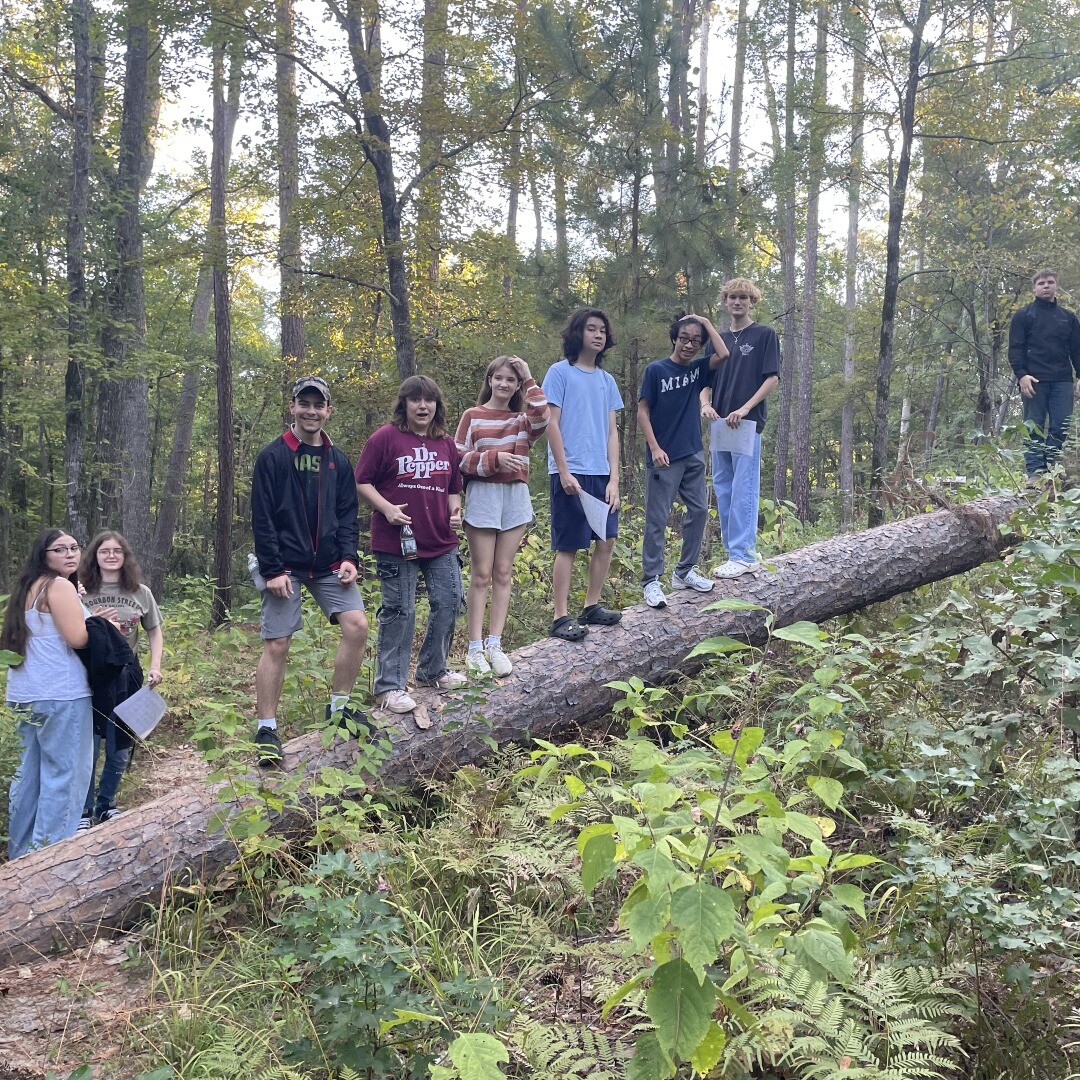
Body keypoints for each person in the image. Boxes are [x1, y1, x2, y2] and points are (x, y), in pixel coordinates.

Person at [250, 375, 368, 766]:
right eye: (305, 404)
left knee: (357, 626)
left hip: (329, 564)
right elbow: (262, 518)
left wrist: (349, 558)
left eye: (319, 405)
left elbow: (348, 514)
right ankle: (266, 729)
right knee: (278, 643)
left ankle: (338, 709)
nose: (312, 411)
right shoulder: (273, 457)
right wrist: (273, 569)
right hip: (285, 566)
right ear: (293, 407)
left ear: (328, 411)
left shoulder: (338, 460)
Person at [355, 375, 466, 713]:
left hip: (440, 540)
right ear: (403, 404)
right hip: (395, 541)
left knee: (450, 600)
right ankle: (390, 686)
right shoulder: (385, 439)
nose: (422, 406)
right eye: (415, 400)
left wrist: (455, 510)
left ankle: (433, 670)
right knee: (400, 610)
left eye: (429, 400)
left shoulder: (446, 443)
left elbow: (453, 486)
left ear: (437, 406)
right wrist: (386, 508)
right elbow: (362, 481)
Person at [0, 529, 94, 858]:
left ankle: (20, 855)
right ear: (44, 555)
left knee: (27, 776)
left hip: (25, 694)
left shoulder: (27, 588)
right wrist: (100, 622)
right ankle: (49, 859)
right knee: (65, 776)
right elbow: (78, 639)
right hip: (62, 693)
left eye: (74, 547)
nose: (70, 554)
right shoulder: (58, 586)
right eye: (59, 549)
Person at [455, 355, 550, 676]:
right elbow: (458, 457)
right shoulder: (473, 416)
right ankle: (474, 648)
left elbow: (542, 415)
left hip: (515, 497)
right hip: (483, 496)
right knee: (481, 574)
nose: (504, 384)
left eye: (511, 379)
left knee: (503, 572)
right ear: (490, 380)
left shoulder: (523, 420)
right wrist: (494, 459)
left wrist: (527, 375)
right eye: (499, 378)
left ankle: (495, 644)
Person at [542, 308, 624, 641]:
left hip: (600, 473)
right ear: (578, 333)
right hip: (570, 471)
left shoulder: (607, 381)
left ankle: (591, 606)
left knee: (606, 541)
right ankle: (560, 617)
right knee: (570, 544)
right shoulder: (560, 373)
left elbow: (612, 432)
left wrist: (615, 479)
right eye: (591, 329)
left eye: (602, 330)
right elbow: (551, 422)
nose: (598, 335)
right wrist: (562, 470)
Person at [637, 313, 729, 609]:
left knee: (700, 511)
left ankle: (684, 571)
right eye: (685, 338)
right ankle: (651, 580)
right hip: (664, 456)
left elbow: (724, 353)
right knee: (657, 519)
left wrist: (705, 322)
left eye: (696, 340)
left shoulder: (700, 369)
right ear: (674, 339)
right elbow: (642, 411)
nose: (689, 345)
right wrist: (654, 448)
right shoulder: (656, 370)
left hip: (692, 452)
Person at [77, 531, 163, 828]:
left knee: (120, 740)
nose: (111, 556)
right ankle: (83, 811)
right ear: (95, 556)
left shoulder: (140, 591)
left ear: (125, 556)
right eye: (104, 551)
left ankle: (106, 804)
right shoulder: (79, 589)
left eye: (117, 551)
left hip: (127, 674)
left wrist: (155, 666)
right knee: (89, 743)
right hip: (89, 674)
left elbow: (154, 631)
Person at [699, 277, 780, 578]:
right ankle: (735, 551)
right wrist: (705, 405)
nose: (737, 302)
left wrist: (746, 408)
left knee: (744, 486)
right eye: (732, 297)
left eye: (743, 298)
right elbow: (704, 382)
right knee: (723, 487)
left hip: (746, 423)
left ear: (752, 301)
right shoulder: (716, 340)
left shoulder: (764, 335)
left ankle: (744, 554)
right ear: (725, 301)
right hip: (720, 423)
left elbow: (772, 378)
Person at [1008, 269, 1080, 477]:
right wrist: (1021, 375)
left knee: (1060, 427)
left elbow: (1077, 350)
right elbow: (1015, 348)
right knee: (1033, 428)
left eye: (1050, 282)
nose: (1046, 286)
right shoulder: (1024, 315)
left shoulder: (1068, 318)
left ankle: (1051, 471)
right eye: (1041, 283)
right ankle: (1034, 474)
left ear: (1056, 285)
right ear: (1034, 288)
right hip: (1033, 380)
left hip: (1062, 381)